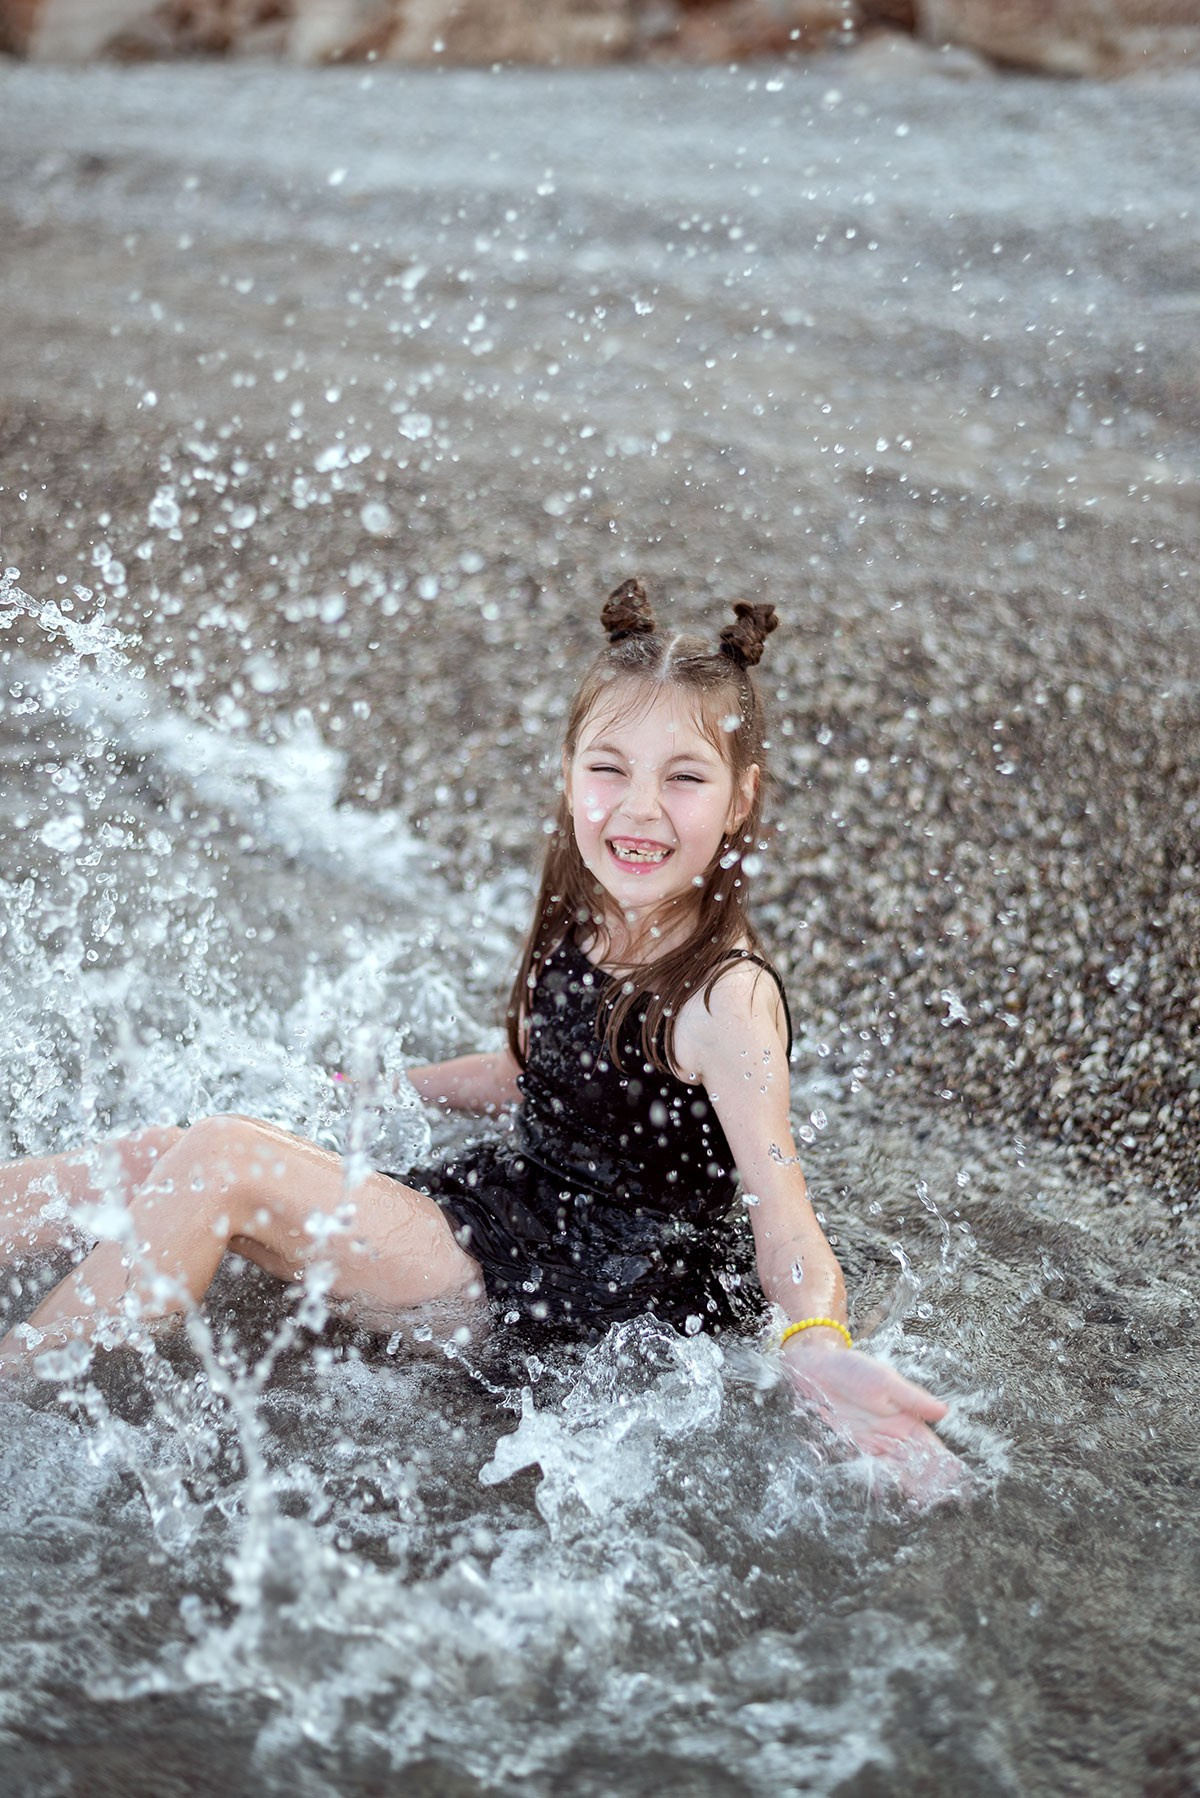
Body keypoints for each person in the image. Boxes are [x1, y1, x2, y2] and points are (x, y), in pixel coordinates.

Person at [0, 580, 961, 1499]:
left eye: (684, 779)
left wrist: (817, 1346)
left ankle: (18, 1381)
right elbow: (534, 1072)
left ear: (740, 799)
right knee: (159, 1153)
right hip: (506, 1212)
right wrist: (374, 1087)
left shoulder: (723, 998)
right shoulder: (591, 916)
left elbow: (784, 1218)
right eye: (609, 769)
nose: (638, 808)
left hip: (569, 1293)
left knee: (222, 1157)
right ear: (569, 772)